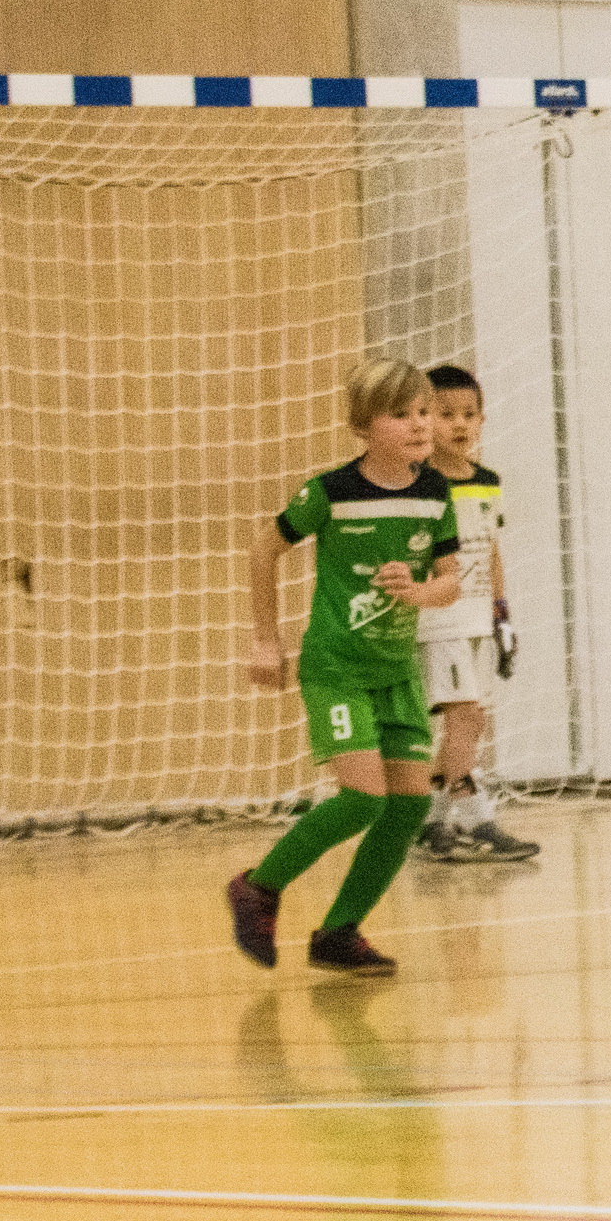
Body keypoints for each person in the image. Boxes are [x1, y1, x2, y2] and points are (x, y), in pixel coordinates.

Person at [225, 357, 465, 976]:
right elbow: (264, 549)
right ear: (363, 427)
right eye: (401, 414)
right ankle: (259, 886)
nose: (419, 424)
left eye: (423, 412)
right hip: (337, 669)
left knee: (408, 804)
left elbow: (449, 582)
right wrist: (265, 639)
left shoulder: (434, 493)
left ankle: (338, 933)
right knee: (361, 798)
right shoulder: (330, 492)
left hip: (397, 673)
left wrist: (419, 590)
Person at [413, 361, 537, 865]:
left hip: (478, 617)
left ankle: (432, 822)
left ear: (482, 419)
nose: (459, 424)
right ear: (425, 420)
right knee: (465, 715)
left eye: (468, 414)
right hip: (438, 617)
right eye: (446, 414)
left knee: (469, 718)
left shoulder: (488, 481)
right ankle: (474, 817)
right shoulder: (419, 484)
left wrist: (501, 612)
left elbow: (491, 548)